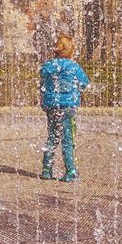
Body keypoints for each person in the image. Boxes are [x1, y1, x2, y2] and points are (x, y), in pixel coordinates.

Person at [39, 35, 90, 182]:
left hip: (52, 107)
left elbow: (42, 84)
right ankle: (70, 171)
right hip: (68, 108)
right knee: (68, 139)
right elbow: (85, 84)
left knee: (52, 137)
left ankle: (46, 170)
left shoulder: (48, 66)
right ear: (71, 51)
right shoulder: (74, 67)